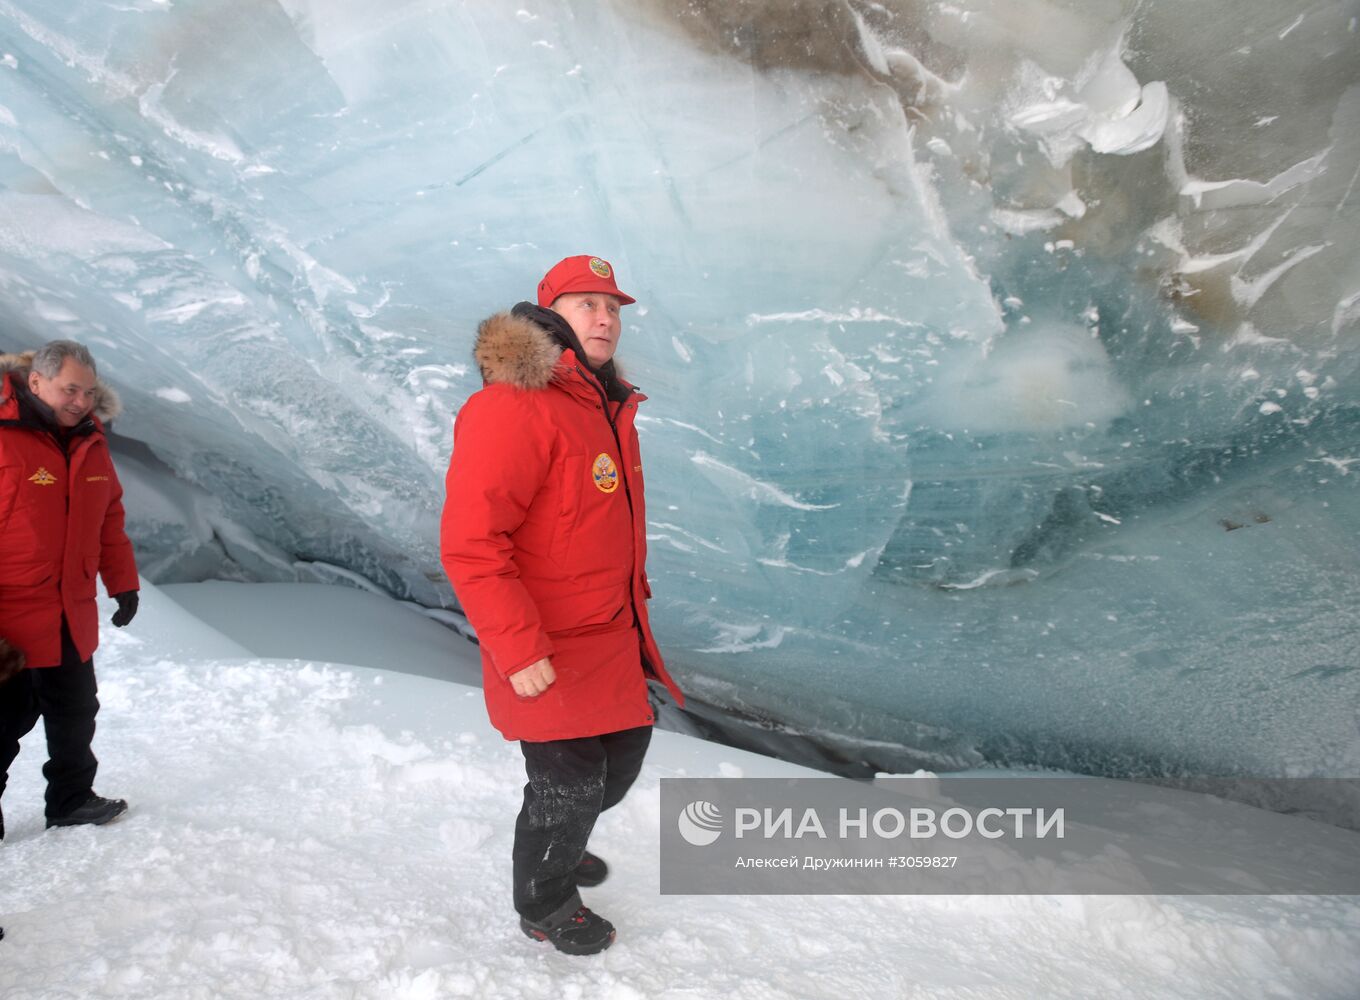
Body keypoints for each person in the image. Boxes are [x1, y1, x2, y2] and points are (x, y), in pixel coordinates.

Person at [441, 255, 684, 956]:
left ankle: (563, 841)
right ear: (550, 315)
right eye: (587, 304)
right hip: (543, 642)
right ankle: (544, 900)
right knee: (569, 782)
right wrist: (518, 650)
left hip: (608, 637)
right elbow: (472, 543)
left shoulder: (606, 405)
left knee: (620, 762)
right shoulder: (512, 405)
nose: (605, 318)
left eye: (613, 307)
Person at [0, 340, 140, 844]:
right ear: (37, 382)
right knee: (4, 722)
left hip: (68, 610)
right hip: (9, 616)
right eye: (69, 389)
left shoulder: (91, 440)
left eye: (87, 391)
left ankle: (71, 800)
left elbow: (109, 519)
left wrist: (122, 583)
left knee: (76, 711)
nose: (80, 400)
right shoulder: (3, 434)